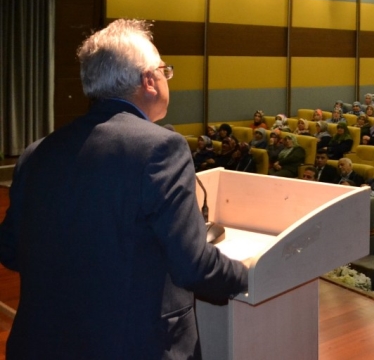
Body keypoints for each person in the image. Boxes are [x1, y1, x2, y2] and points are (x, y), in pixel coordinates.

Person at [0, 19, 249, 358]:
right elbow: (193, 266)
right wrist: (248, 273)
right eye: (165, 70)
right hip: (131, 347)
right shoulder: (162, 148)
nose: (166, 78)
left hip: (40, 344)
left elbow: (11, 250)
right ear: (149, 81)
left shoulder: (36, 151)